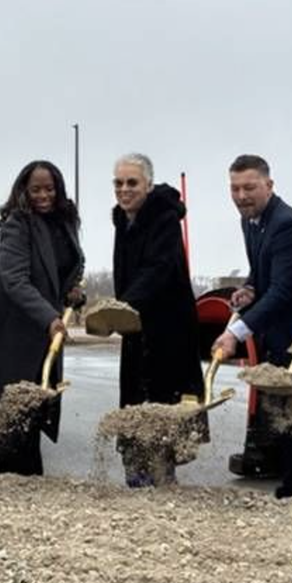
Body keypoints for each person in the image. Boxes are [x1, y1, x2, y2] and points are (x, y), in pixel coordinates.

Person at [213, 154, 292, 500]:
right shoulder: (252, 221)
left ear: (269, 185)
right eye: (235, 188)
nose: (241, 196)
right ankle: (290, 487)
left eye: (249, 187)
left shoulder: (287, 225)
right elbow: (266, 270)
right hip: (280, 333)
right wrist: (251, 287)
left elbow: (284, 289)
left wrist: (236, 332)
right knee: (282, 414)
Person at [0, 160, 85, 476]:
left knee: (36, 403)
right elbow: (16, 280)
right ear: (24, 191)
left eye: (49, 189)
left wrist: (72, 290)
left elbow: (69, 266)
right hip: (12, 326)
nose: (43, 195)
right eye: (36, 190)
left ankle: (30, 478)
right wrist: (50, 317)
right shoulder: (17, 223)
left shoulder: (65, 221)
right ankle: (17, 480)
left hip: (41, 322)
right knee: (17, 405)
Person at [109, 153, 204, 487]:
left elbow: (158, 269)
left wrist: (123, 306)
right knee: (134, 406)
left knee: (162, 408)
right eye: (118, 183)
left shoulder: (164, 219)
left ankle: (162, 482)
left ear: (148, 185)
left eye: (132, 183)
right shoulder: (122, 220)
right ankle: (136, 478)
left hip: (168, 331)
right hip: (136, 329)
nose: (124, 189)